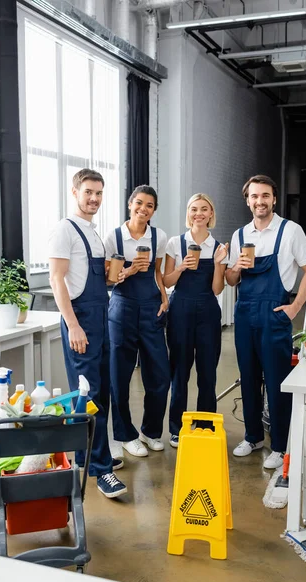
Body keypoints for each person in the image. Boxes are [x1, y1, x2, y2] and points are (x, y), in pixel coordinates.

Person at [226, 174, 306, 469]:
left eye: (265, 195)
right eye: (254, 196)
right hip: (245, 312)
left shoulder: (290, 231)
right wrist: (235, 266)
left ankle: (279, 444)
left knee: (277, 381)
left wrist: (295, 307)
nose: (259, 201)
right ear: (247, 200)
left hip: (275, 313)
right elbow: (230, 279)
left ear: (274, 199)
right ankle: (253, 436)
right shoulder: (240, 235)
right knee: (248, 377)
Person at [49, 168, 127, 499]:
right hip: (81, 319)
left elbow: (92, 278)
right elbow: (56, 279)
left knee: (101, 392)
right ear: (75, 192)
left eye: (98, 193)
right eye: (88, 192)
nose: (93, 198)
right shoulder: (64, 230)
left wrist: (114, 279)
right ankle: (100, 470)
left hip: (100, 315)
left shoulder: (93, 233)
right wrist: (74, 325)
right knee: (88, 394)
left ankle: (87, 456)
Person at [104, 185, 170, 457]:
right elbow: (109, 279)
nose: (144, 209)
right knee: (120, 374)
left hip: (152, 306)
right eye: (139, 203)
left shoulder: (159, 236)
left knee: (160, 375)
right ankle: (125, 435)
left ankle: (151, 431)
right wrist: (130, 270)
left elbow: (157, 272)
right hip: (122, 309)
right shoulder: (113, 237)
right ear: (130, 204)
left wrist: (165, 299)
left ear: (154, 210)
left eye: (150, 205)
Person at [163, 193, 228, 447]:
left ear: (211, 214)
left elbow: (217, 289)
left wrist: (220, 265)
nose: (198, 213)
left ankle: (205, 425)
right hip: (179, 310)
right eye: (193, 209)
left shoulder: (218, 247)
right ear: (188, 213)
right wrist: (180, 268)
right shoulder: (174, 243)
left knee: (207, 373)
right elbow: (166, 282)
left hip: (208, 312)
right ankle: (176, 429)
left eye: (204, 209)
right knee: (179, 371)